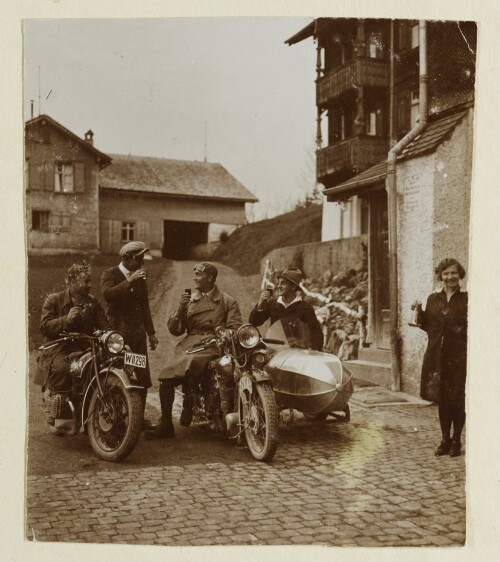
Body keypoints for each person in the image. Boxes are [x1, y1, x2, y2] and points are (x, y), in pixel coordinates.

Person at [145, 262, 242, 439]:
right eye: (194, 274)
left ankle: (198, 408)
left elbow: (235, 329)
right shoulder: (189, 300)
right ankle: (166, 423)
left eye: (198, 274)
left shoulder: (226, 301)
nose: (194, 278)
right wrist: (181, 310)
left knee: (188, 365)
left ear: (210, 278)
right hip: (190, 344)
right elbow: (175, 330)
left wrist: (223, 334)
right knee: (166, 376)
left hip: (213, 345)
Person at [34, 263, 110, 431]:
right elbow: (44, 326)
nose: (90, 285)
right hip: (58, 347)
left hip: (84, 346)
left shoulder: (92, 302)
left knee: (99, 366)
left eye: (90, 281)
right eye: (85, 281)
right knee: (62, 369)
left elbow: (104, 325)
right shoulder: (54, 300)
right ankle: (60, 410)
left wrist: (110, 336)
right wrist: (65, 320)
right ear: (71, 281)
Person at [411, 258, 468, 457]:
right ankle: (444, 439)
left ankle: (456, 440)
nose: (450, 277)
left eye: (454, 273)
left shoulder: (467, 299)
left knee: (457, 399)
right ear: (440, 276)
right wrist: (417, 313)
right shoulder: (433, 299)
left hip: (460, 357)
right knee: (443, 399)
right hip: (436, 356)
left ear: (459, 274)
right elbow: (428, 326)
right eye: (446, 273)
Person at [101, 241, 159, 430]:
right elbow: (107, 294)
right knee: (119, 375)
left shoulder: (140, 278)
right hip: (118, 338)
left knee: (140, 376)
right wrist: (129, 281)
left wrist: (151, 333)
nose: (142, 262)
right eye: (139, 258)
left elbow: (145, 307)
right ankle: (117, 418)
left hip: (137, 336)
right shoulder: (110, 274)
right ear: (127, 258)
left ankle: (138, 420)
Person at [249, 267, 323, 351]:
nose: (279, 286)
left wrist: (314, 351)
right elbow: (254, 322)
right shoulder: (272, 303)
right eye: (279, 283)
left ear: (293, 287)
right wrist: (260, 303)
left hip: (295, 352)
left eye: (283, 283)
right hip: (274, 350)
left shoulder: (305, 307)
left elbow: (316, 333)